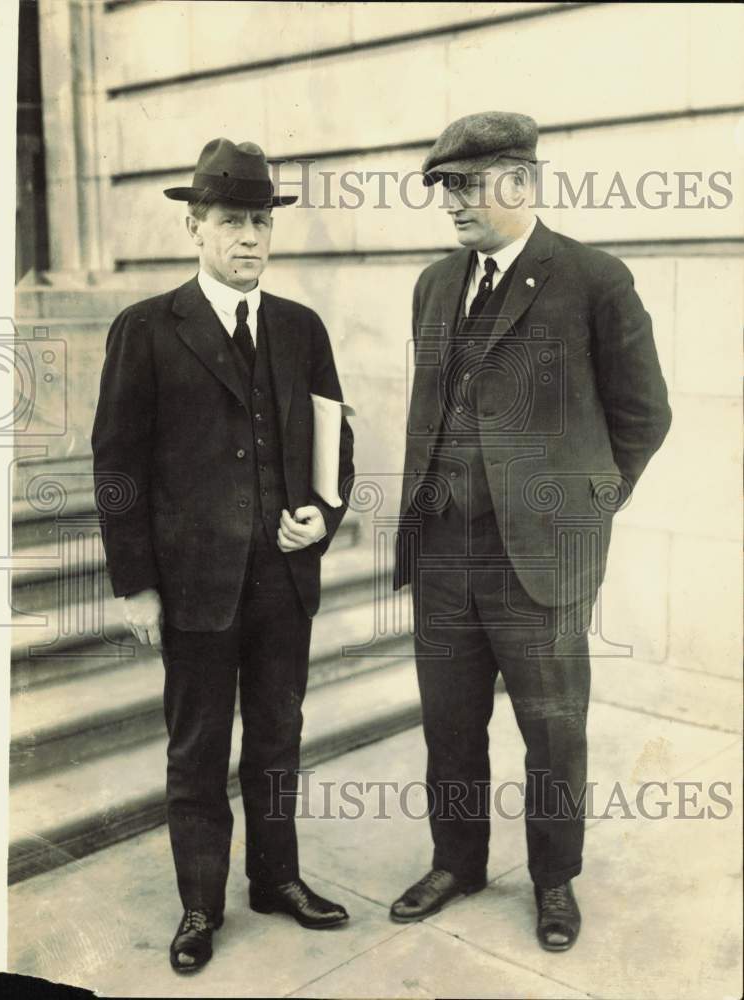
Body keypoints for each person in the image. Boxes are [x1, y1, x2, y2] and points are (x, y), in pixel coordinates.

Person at [391, 112, 671, 950]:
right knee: (448, 722)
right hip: (443, 551)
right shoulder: (435, 285)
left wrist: (578, 512)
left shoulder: (591, 278)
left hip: (538, 561)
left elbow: (643, 414)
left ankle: (553, 881)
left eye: (466, 186)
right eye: (443, 187)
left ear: (520, 181)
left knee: (551, 730)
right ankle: (457, 860)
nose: (451, 204)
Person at [92, 138, 354, 974]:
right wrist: (135, 585)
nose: (250, 237)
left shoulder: (299, 328)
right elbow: (118, 466)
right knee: (198, 749)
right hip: (195, 586)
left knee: (277, 737)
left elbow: (332, 441)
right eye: (231, 221)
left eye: (260, 222)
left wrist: (321, 514)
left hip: (282, 583)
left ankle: (276, 880)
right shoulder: (146, 328)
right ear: (194, 228)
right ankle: (200, 906)